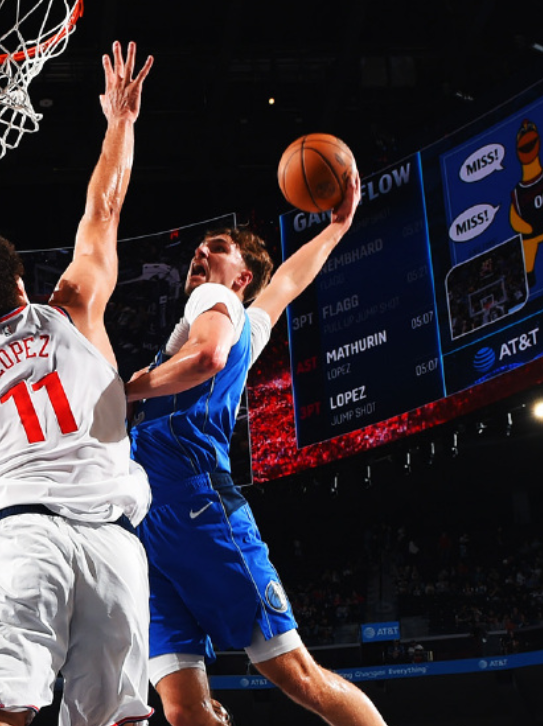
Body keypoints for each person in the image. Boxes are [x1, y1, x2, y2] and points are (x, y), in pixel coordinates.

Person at [0, 41, 154, 726]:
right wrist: (120, 122)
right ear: (22, 284)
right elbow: (103, 210)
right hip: (113, 546)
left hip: (24, 540)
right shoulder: (74, 309)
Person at [126, 175, 388, 726]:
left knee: (297, 675)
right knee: (184, 710)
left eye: (217, 248)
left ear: (241, 277)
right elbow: (288, 282)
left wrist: (129, 389)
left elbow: (209, 358)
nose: (201, 252)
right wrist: (336, 228)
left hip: (198, 506)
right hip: (147, 526)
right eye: (200, 248)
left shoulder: (215, 299)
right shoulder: (241, 320)